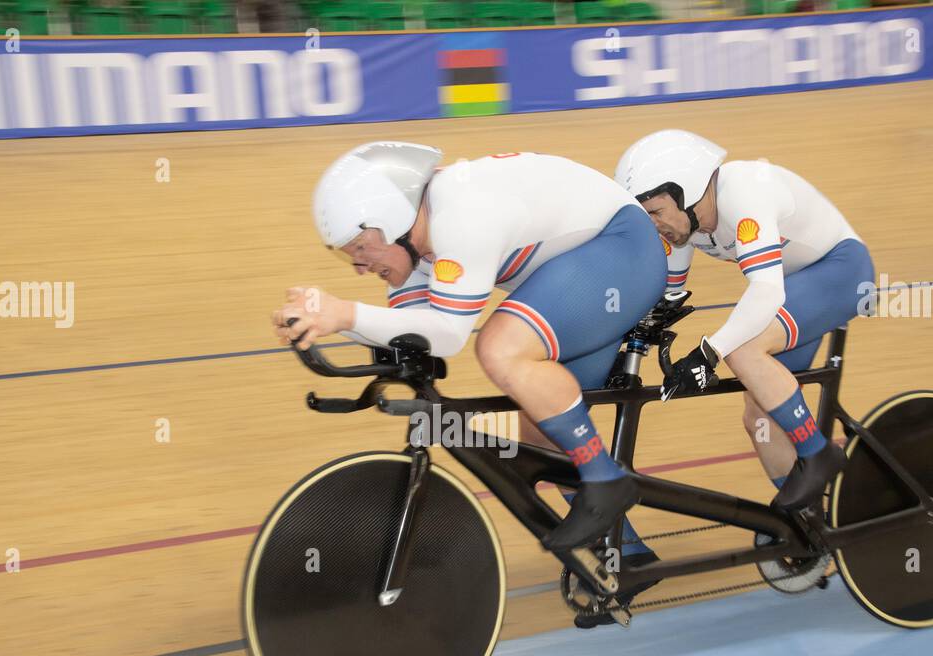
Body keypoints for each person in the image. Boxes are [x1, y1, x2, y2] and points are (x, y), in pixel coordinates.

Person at [272, 141, 666, 560]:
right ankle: (628, 558)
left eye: (361, 249)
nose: (359, 267)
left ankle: (606, 478)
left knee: (499, 347)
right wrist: (321, 324)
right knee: (545, 432)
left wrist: (344, 314)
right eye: (347, 256)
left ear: (390, 220)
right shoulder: (413, 249)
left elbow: (447, 334)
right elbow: (412, 337)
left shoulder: (461, 214)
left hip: (623, 251)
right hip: (586, 270)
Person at [615, 129, 875, 509]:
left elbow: (767, 292)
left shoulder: (744, 192)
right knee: (760, 419)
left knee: (743, 351)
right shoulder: (685, 225)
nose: (654, 224)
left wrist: (710, 353)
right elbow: (663, 298)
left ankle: (819, 454)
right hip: (799, 286)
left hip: (841, 271)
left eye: (655, 211)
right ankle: (808, 524)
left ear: (685, 192)